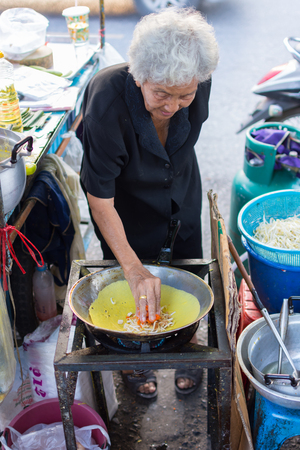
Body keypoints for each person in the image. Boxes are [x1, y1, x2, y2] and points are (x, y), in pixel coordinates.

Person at [80, 7, 219, 400]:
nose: (172, 106)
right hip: (125, 209)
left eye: (184, 95)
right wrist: (132, 266)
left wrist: (183, 97)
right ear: (139, 76)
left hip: (180, 194)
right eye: (161, 93)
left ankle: (185, 352)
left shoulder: (198, 83)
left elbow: (181, 134)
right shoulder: (106, 101)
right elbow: (99, 197)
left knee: (188, 278)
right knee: (131, 286)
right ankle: (135, 362)